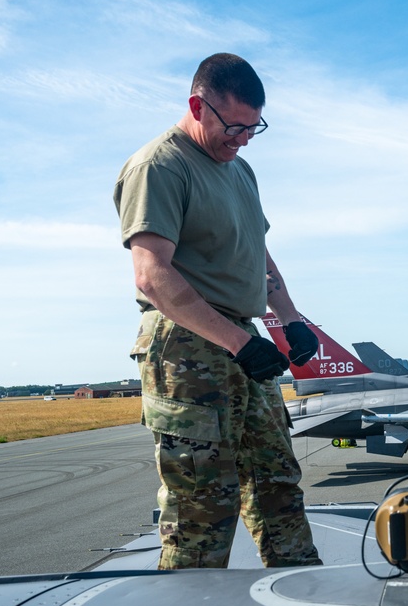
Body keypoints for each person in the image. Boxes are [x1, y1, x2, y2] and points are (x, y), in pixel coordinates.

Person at [114, 53, 322, 570]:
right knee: (203, 502)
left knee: (276, 478)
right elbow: (152, 275)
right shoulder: (160, 165)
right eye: (233, 126)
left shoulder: (241, 171)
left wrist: (290, 318)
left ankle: (304, 598)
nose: (242, 139)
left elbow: (258, 253)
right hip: (186, 344)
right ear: (196, 106)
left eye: (254, 129)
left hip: (242, 337)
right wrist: (237, 342)